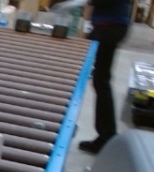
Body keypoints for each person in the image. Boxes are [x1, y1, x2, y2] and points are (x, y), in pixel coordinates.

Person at [52, 0, 133, 153]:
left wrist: (76, 3)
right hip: (108, 26)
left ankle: (107, 136)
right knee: (100, 81)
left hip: (109, 28)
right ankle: (106, 134)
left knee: (101, 81)